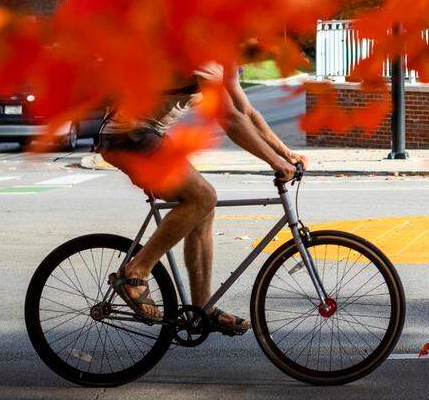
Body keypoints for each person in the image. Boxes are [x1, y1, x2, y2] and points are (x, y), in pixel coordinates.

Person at [97, 62, 306, 335]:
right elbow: (229, 118)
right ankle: (135, 272)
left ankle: (202, 308)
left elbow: (246, 111)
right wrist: (274, 162)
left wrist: (284, 153)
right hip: (128, 136)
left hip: (148, 135)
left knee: (203, 207)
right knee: (202, 197)